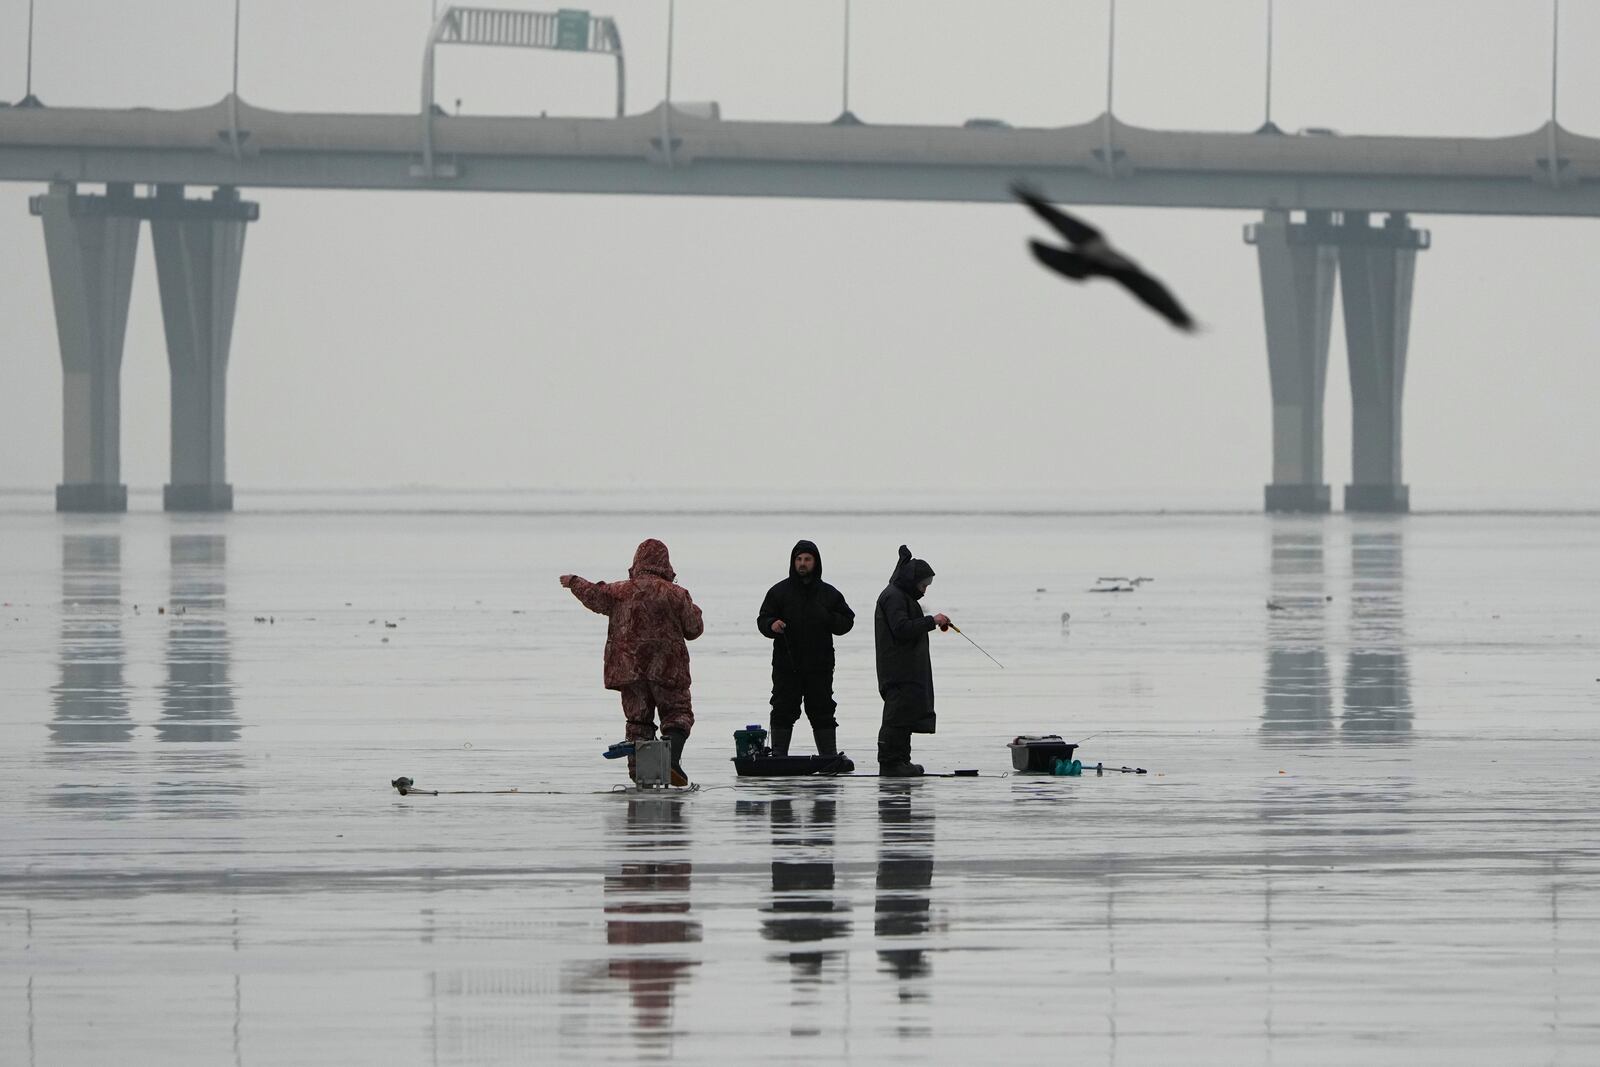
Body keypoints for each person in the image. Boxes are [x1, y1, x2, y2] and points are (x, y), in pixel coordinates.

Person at [561, 539, 704, 786]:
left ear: (637, 561)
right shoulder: (676, 594)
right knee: (677, 714)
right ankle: (671, 759)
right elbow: (694, 629)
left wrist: (574, 581)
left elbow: (594, 594)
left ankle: (643, 778)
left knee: (638, 722)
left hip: (629, 668)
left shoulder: (619, 591)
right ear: (666, 564)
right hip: (668, 668)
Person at [756, 540, 855, 757]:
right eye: (799, 559)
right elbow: (763, 619)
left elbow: (848, 621)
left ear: (815, 562)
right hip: (786, 665)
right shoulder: (778, 592)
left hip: (820, 665)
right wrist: (772, 625)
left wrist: (828, 618)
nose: (803, 563)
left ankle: (828, 756)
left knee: (823, 710)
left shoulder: (829, 593)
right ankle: (779, 756)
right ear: (793, 562)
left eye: (807, 559)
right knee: (783, 709)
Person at [873, 545, 951, 777]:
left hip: (905, 668)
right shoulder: (893, 596)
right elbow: (901, 628)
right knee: (896, 717)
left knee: (904, 715)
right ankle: (890, 763)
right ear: (912, 580)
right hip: (897, 669)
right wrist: (931, 621)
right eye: (923, 585)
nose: (924, 590)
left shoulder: (901, 595)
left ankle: (901, 762)